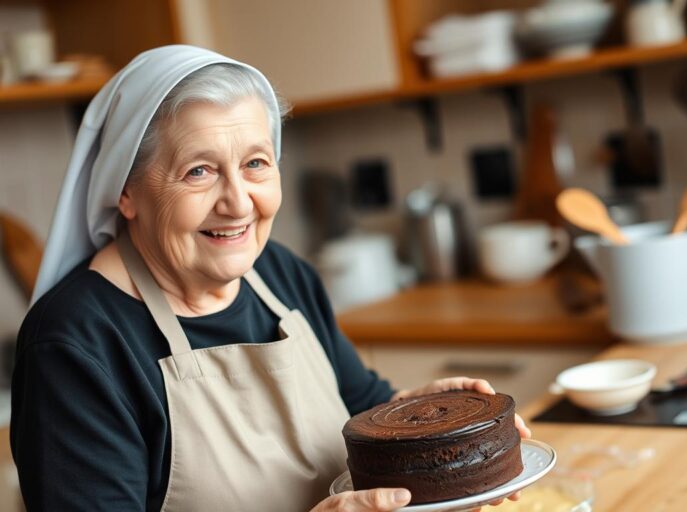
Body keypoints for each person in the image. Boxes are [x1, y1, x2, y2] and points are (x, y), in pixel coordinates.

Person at [11, 45, 531, 511]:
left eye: (256, 163)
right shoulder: (74, 345)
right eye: (199, 171)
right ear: (125, 192)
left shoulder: (281, 274)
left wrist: (433, 428)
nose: (238, 202)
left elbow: (360, 405)